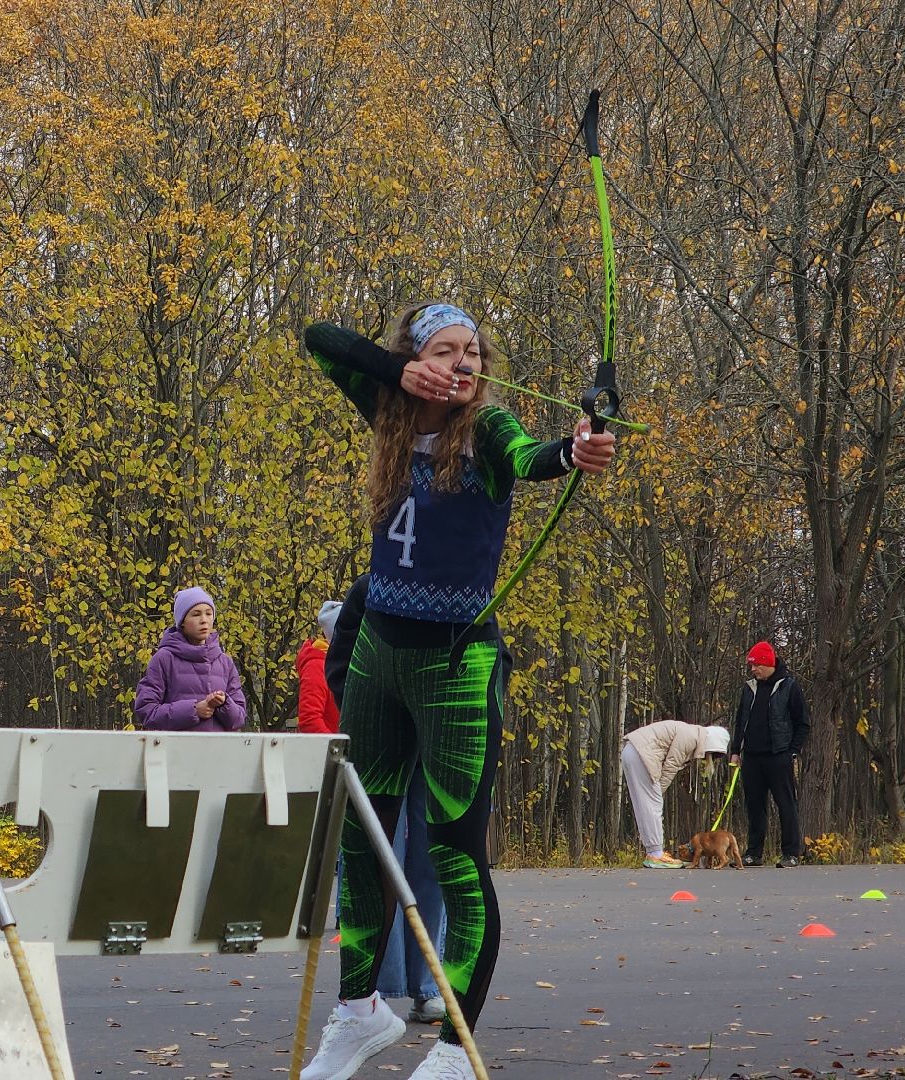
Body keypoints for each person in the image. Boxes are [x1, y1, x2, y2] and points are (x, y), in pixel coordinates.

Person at [298, 304, 619, 1080]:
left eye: (473, 351)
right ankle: (359, 1012)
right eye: (446, 350)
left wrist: (580, 447)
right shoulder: (389, 410)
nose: (465, 363)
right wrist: (395, 371)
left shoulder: (489, 431)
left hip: (457, 669)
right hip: (378, 657)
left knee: (455, 859)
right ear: (417, 360)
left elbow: (543, 455)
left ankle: (454, 1047)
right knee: (361, 841)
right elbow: (319, 340)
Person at [321, 575, 446, 1025]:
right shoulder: (373, 588)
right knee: (375, 860)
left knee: (431, 863)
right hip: (379, 744)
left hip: (433, 745)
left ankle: (428, 984)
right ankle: (371, 989)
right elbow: (340, 664)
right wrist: (365, 715)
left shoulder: (455, 585)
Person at [728, 641, 808, 867]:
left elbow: (802, 723)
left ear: (767, 663)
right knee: (754, 806)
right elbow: (740, 721)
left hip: (779, 755)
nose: (752, 670)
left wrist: (792, 751)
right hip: (751, 756)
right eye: (751, 666)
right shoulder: (749, 688)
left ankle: (791, 853)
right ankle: (754, 853)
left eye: (756, 665)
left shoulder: (789, 686)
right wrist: (736, 751)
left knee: (786, 804)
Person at [620, 719, 732, 868]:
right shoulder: (691, 736)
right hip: (641, 754)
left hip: (632, 751)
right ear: (712, 742)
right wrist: (658, 793)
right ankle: (656, 854)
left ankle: (652, 853)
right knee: (652, 805)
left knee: (644, 806)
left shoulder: (692, 733)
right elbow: (671, 765)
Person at [136, 587, 247, 731]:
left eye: (208, 614)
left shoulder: (225, 662)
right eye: (196, 614)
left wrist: (223, 704)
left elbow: (239, 719)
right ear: (182, 621)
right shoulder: (163, 659)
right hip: (175, 751)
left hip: (219, 752)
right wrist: (193, 710)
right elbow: (147, 711)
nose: (204, 620)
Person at [297, 600, 343, 734]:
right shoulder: (316, 666)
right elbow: (309, 720)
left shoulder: (345, 661)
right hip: (330, 752)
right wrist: (339, 748)